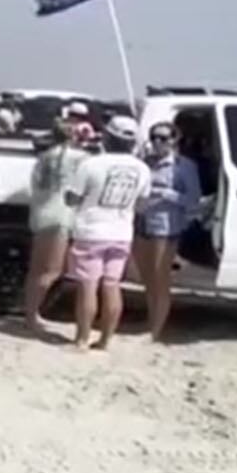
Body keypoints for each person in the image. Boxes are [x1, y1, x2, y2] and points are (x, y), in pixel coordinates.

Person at [66, 117, 151, 351]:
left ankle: (82, 339)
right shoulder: (143, 169)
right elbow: (143, 204)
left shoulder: (90, 164)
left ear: (108, 137)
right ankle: (105, 340)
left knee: (88, 285)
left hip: (91, 231)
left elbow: (71, 198)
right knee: (112, 285)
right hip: (122, 233)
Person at [136, 121, 201, 341]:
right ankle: (150, 321)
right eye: (154, 137)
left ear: (174, 140)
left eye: (163, 138)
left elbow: (193, 201)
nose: (157, 142)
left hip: (166, 225)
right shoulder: (145, 162)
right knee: (146, 277)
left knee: (160, 278)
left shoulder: (184, 166)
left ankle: (155, 330)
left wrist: (167, 194)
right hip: (142, 223)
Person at [22, 122, 89, 333]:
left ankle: (30, 312)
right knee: (51, 271)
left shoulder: (43, 158)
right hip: (62, 216)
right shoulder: (81, 159)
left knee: (36, 269)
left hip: (42, 213)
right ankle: (31, 315)